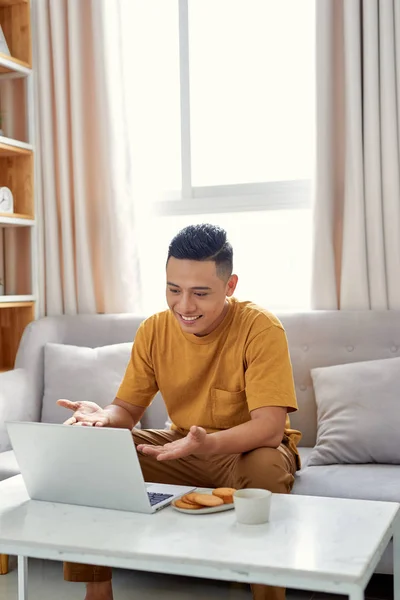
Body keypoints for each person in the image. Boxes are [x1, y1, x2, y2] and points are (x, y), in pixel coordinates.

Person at [58, 223, 301, 600]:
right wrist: (104, 418)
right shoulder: (154, 330)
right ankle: (97, 591)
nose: (184, 306)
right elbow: (126, 408)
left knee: (265, 468)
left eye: (200, 293)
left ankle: (269, 596)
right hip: (181, 446)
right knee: (91, 452)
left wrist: (205, 445)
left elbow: (269, 429)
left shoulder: (261, 328)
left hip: (246, 450)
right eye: (174, 290)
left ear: (230, 286)